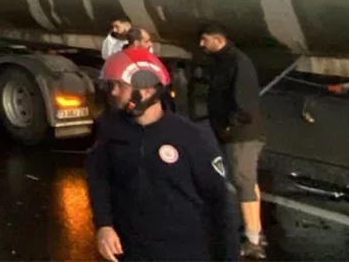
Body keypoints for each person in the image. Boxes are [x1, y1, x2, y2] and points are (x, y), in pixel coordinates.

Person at [86, 47, 240, 261]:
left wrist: (229, 258)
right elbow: (98, 178)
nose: (112, 92)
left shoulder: (192, 138)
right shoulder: (109, 130)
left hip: (185, 253)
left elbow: (220, 203)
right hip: (132, 252)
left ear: (147, 90)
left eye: (119, 85)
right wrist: (104, 224)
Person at [200, 24, 267, 259]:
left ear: (218, 40)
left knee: (242, 181)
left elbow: (245, 103)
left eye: (204, 40)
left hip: (242, 134)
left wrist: (229, 125)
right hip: (236, 133)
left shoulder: (238, 62)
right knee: (247, 180)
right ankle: (255, 230)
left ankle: (253, 241)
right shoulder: (224, 60)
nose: (201, 44)